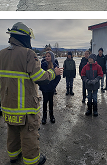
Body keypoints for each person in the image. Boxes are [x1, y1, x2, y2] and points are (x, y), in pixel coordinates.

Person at [0, 22, 62, 164]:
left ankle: (13, 155)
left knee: (12, 131)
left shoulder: (1, 54)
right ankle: (32, 160)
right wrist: (53, 72)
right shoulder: (28, 54)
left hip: (7, 105)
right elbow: (39, 77)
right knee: (29, 133)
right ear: (24, 38)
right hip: (25, 108)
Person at [39, 51, 61, 125]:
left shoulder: (55, 66)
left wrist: (53, 85)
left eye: (49, 56)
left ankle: (51, 115)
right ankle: (44, 117)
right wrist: (41, 85)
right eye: (46, 56)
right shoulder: (42, 65)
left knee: (51, 101)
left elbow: (58, 77)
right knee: (45, 101)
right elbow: (39, 76)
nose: (47, 57)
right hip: (44, 88)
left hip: (51, 88)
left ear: (52, 57)